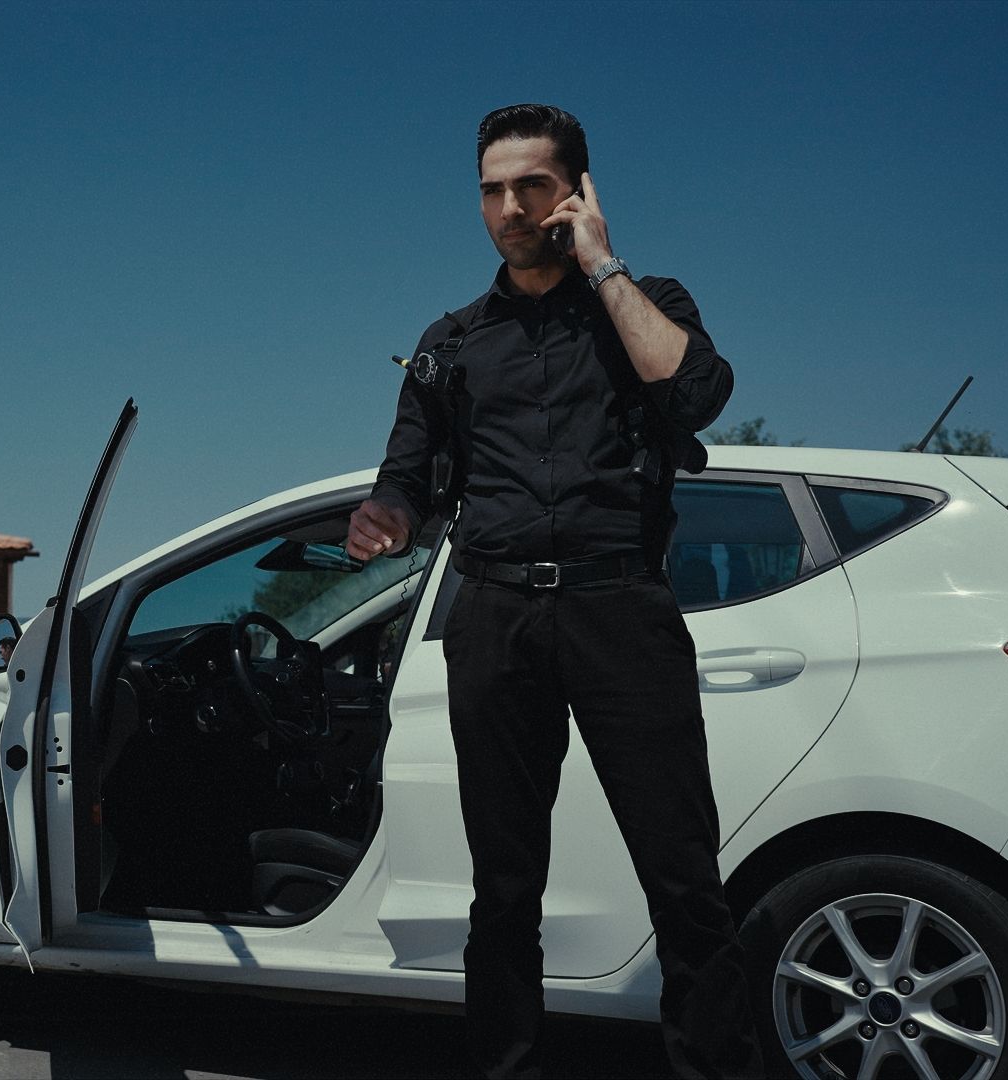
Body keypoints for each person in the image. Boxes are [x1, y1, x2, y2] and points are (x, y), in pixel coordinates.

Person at [346, 104, 763, 1079]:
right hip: (494, 619)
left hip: (622, 613)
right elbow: (407, 475)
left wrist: (603, 263)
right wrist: (386, 515)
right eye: (492, 190)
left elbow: (696, 393)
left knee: (684, 881)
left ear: (576, 192)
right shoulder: (451, 342)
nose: (509, 208)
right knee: (502, 890)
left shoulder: (644, 302)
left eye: (531, 186)